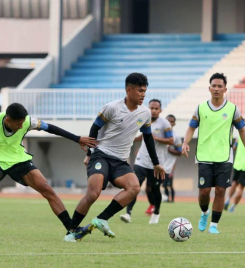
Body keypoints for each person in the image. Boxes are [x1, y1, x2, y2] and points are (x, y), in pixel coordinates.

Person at [0, 103, 97, 241]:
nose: (21, 126)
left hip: (19, 159)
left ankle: (71, 230)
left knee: (47, 189)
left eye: (22, 123)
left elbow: (50, 128)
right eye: (18, 124)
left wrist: (77, 139)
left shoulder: (27, 121)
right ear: (8, 120)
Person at [64, 73, 166, 241]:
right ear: (128, 89)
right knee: (93, 193)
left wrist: (156, 163)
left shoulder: (145, 113)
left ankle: (102, 219)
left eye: (145, 91)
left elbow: (148, 137)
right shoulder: (112, 107)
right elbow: (94, 129)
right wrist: (89, 154)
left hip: (120, 161)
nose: (143, 95)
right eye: (140, 91)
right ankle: (71, 230)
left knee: (134, 188)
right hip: (101, 156)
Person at [182, 73, 245, 234]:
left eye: (220, 86)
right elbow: (191, 127)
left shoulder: (233, 109)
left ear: (225, 89)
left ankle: (214, 225)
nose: (216, 89)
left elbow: (242, 130)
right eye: (214, 85)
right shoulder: (200, 108)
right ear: (209, 88)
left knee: (221, 191)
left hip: (224, 156)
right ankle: (205, 213)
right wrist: (185, 142)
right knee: (204, 192)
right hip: (204, 156)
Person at [120, 99, 173, 224]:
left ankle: (156, 212)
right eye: (151, 108)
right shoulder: (144, 119)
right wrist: (130, 138)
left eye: (156, 108)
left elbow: (170, 140)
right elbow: (142, 136)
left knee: (154, 189)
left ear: (160, 110)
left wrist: (155, 138)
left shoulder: (165, 124)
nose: (153, 111)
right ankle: (128, 213)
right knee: (134, 185)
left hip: (156, 164)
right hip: (141, 160)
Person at [163, 114, 182, 203]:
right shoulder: (159, 133)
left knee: (169, 185)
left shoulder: (176, 137)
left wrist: (168, 148)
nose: (169, 123)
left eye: (172, 121)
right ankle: (163, 200)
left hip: (168, 168)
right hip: (157, 165)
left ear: (174, 124)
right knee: (158, 185)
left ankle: (171, 200)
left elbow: (179, 153)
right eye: (168, 121)